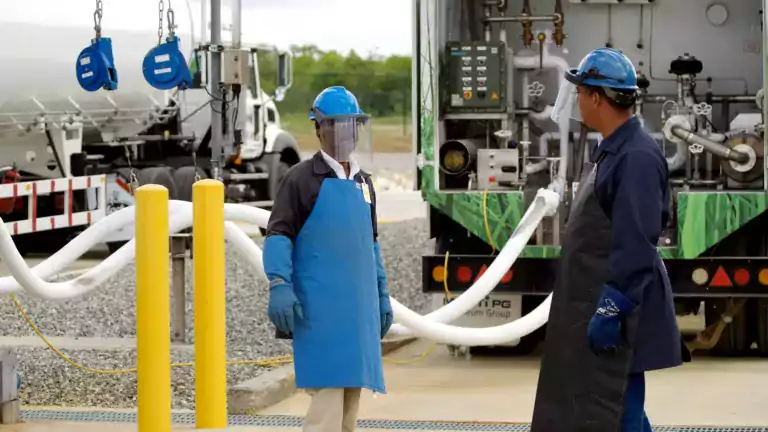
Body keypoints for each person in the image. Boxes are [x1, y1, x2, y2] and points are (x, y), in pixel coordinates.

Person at [530, 48, 685, 432]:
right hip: (597, 303)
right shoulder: (613, 149)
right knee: (615, 409)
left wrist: (611, 308)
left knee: (618, 410)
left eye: (580, 92)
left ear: (596, 96)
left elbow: (638, 240)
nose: (577, 101)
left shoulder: (636, 157)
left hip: (619, 311)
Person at [262, 86, 393, 432]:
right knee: (327, 406)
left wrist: (381, 296)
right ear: (319, 128)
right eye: (335, 125)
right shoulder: (300, 180)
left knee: (350, 406)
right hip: (319, 312)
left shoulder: (364, 183)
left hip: (357, 315)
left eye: (350, 125)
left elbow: (371, 245)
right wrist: (279, 284)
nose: (344, 134)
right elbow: (278, 236)